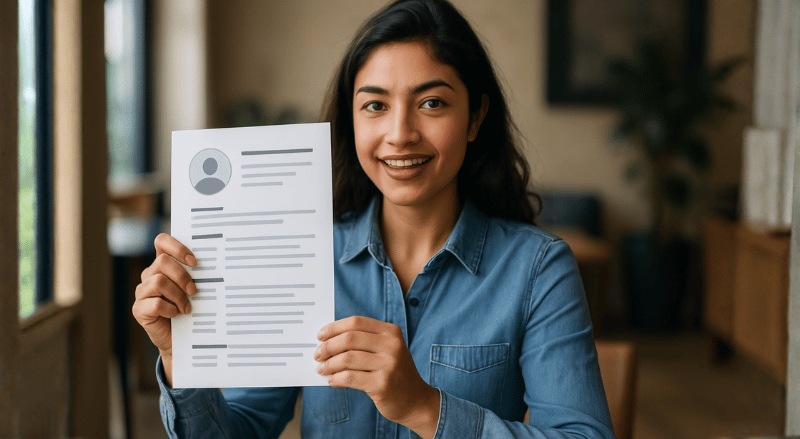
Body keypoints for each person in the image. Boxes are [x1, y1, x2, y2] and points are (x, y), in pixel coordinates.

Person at [132, 0, 615, 437]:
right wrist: (181, 357)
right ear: (353, 119)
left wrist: (425, 407)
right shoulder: (302, 259)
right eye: (375, 105)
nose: (400, 134)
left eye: (432, 102)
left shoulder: (538, 270)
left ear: (475, 117)